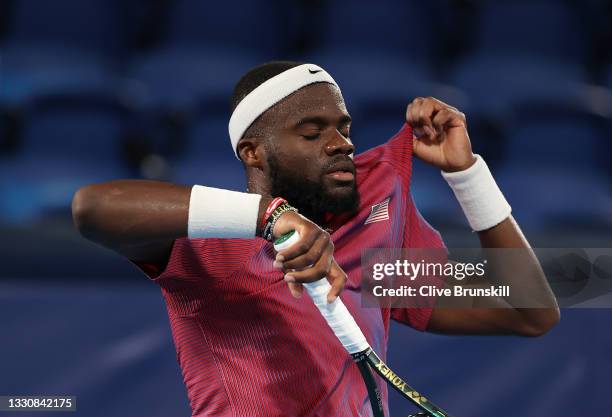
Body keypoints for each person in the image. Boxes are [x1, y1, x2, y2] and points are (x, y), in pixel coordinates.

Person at [72, 61, 559, 417]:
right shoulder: (209, 244)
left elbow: (530, 312)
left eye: (344, 128)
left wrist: (469, 176)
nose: (342, 143)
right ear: (254, 153)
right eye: (312, 132)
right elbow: (92, 207)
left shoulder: (374, 244)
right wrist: (271, 216)